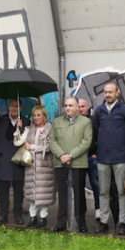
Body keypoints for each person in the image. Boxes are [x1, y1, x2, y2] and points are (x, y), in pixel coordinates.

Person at [92, 81, 125, 235]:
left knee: (122, 192)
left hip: (121, 158)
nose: (108, 95)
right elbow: (97, 131)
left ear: (118, 93)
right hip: (103, 159)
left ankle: (123, 222)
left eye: (111, 92)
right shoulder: (99, 111)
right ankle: (104, 222)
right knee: (104, 192)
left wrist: (124, 150)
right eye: (105, 92)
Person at [49, 97, 93, 232]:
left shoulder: (85, 122)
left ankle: (81, 222)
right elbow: (52, 140)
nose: (68, 108)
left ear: (76, 107)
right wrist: (62, 156)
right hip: (60, 163)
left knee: (79, 194)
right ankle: (61, 222)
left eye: (70, 105)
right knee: (62, 194)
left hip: (78, 163)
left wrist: (71, 155)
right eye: (66, 105)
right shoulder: (56, 122)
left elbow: (86, 141)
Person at [0, 98, 31, 226]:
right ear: (9, 106)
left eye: (17, 106)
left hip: (18, 160)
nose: (14, 108)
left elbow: (27, 139)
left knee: (18, 189)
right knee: (3, 190)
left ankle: (17, 214)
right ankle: (3, 215)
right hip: (3, 160)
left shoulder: (26, 121)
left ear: (21, 108)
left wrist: (20, 127)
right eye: (12, 106)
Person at [22, 105, 56, 228]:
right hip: (31, 165)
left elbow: (49, 147)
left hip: (45, 165)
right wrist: (18, 129)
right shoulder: (30, 129)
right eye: (34, 115)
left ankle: (43, 217)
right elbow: (20, 141)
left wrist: (32, 147)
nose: (36, 118)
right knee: (32, 194)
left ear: (44, 117)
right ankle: (32, 217)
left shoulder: (50, 129)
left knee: (44, 193)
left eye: (38, 115)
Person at [77, 98, 101, 221]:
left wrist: (96, 154)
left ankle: (98, 209)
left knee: (95, 184)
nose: (81, 109)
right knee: (79, 186)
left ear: (88, 107)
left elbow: (99, 137)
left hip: (92, 157)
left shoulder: (93, 121)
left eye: (83, 106)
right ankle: (81, 212)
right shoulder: (73, 121)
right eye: (79, 106)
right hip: (78, 159)